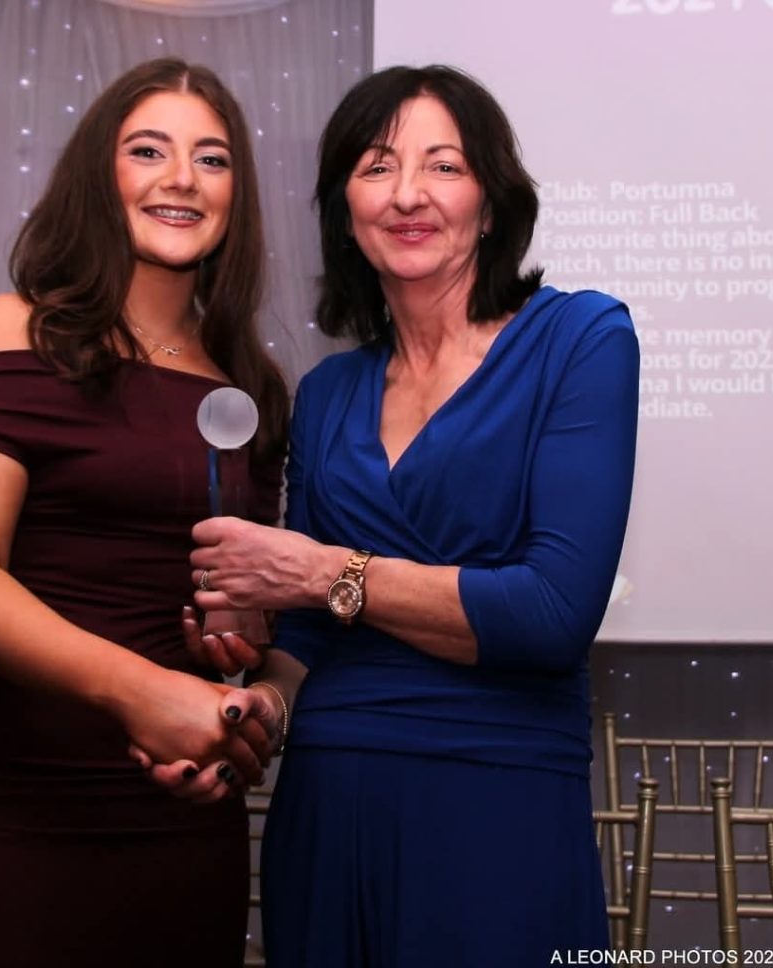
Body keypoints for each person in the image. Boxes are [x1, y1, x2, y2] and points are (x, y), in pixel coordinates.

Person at [143, 64, 640, 967]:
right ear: (344, 209)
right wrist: (258, 702)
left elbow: (551, 614)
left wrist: (317, 571)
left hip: (498, 800)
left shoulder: (582, 339)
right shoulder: (329, 393)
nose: (408, 193)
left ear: (491, 204)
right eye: (376, 168)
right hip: (327, 799)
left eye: (443, 166)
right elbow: (309, 640)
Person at [0, 58, 288, 968]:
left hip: (181, 821)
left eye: (212, 158)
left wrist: (242, 681)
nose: (181, 177)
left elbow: (254, 621)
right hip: (4, 804)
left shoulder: (251, 387)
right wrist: (146, 695)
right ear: (98, 177)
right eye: (148, 149)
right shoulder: (10, 332)